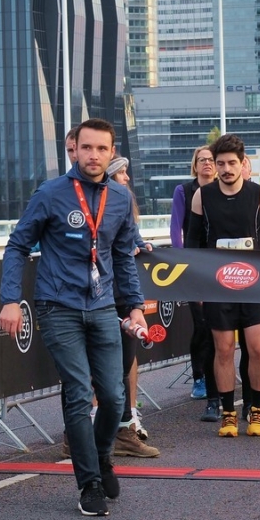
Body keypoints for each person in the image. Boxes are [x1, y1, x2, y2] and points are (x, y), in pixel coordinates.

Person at [0, 118, 145, 516]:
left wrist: (135, 305)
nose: (93, 155)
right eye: (87, 148)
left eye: (101, 149)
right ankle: (89, 483)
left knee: (114, 397)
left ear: (112, 153)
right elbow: (17, 246)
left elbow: (123, 256)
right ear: (74, 150)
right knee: (79, 392)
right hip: (57, 306)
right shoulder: (50, 193)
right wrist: (10, 299)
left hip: (103, 307)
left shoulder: (120, 198)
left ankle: (100, 455)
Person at [185, 134, 260, 437]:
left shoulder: (259, 193)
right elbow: (192, 244)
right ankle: (228, 413)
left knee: (257, 348)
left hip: (254, 284)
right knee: (224, 349)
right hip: (217, 285)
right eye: (221, 164)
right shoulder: (202, 196)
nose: (226, 169)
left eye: (231, 163)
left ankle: (256, 409)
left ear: (242, 164)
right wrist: (198, 286)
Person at [105, 157, 161, 458]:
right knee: (97, 371)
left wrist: (141, 245)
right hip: (94, 298)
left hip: (122, 297)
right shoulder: (76, 201)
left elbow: (129, 247)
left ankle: (124, 428)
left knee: (124, 365)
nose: (126, 178)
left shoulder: (123, 203)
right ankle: (81, 436)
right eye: (121, 173)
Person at [170, 145, 218, 412]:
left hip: (220, 265)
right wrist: (183, 262)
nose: (207, 164)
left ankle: (217, 376)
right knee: (201, 324)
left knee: (218, 325)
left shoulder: (223, 190)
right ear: (195, 165)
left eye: (211, 160)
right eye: (202, 160)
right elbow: (175, 228)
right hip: (193, 265)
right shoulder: (183, 191)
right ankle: (199, 377)